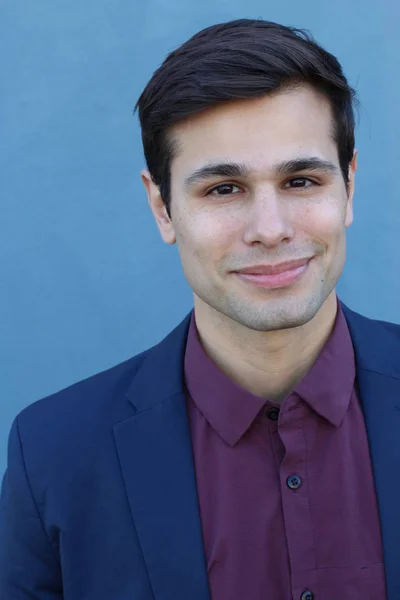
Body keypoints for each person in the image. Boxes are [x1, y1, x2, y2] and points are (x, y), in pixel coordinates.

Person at [1, 17, 399, 600]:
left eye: (302, 180)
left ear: (349, 187)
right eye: (223, 189)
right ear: (162, 208)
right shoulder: (54, 456)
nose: (270, 229)